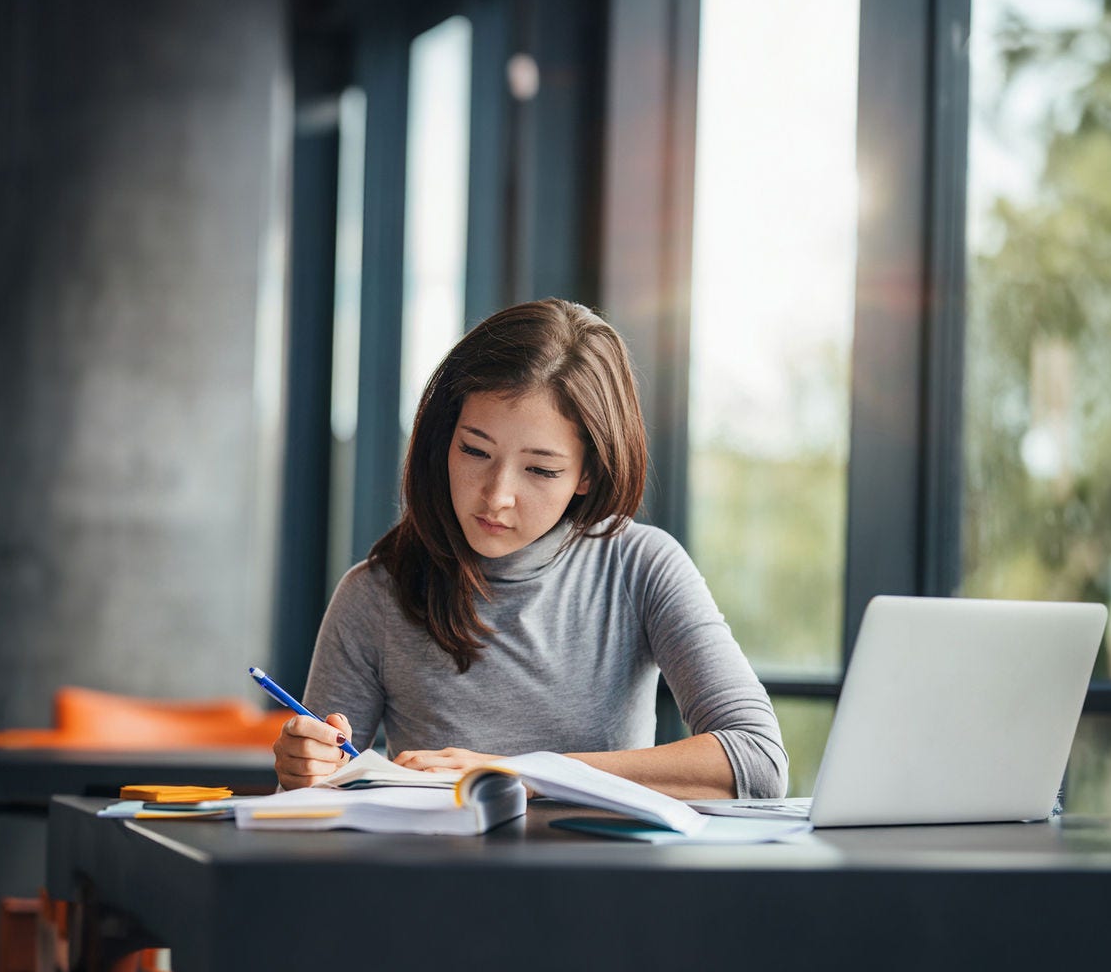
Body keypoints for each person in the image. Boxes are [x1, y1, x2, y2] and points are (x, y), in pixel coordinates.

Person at [273, 298, 787, 800]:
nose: (496, 496)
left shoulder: (641, 567)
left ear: (588, 473)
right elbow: (310, 812)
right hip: (440, 882)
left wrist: (521, 773)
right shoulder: (376, 595)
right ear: (443, 439)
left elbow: (757, 760)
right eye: (475, 450)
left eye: (541, 470)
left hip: (603, 886)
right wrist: (304, 774)